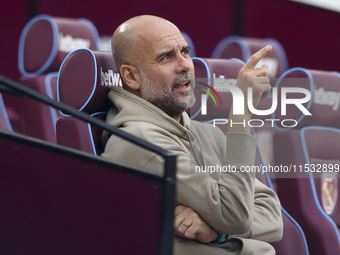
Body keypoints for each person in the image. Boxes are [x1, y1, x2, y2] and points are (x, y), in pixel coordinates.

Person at [102, 15, 283, 255]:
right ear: (132, 77)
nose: (185, 65)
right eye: (166, 57)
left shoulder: (207, 133)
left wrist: (215, 233)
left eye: (185, 52)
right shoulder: (140, 141)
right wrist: (240, 115)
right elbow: (237, 216)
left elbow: (272, 215)